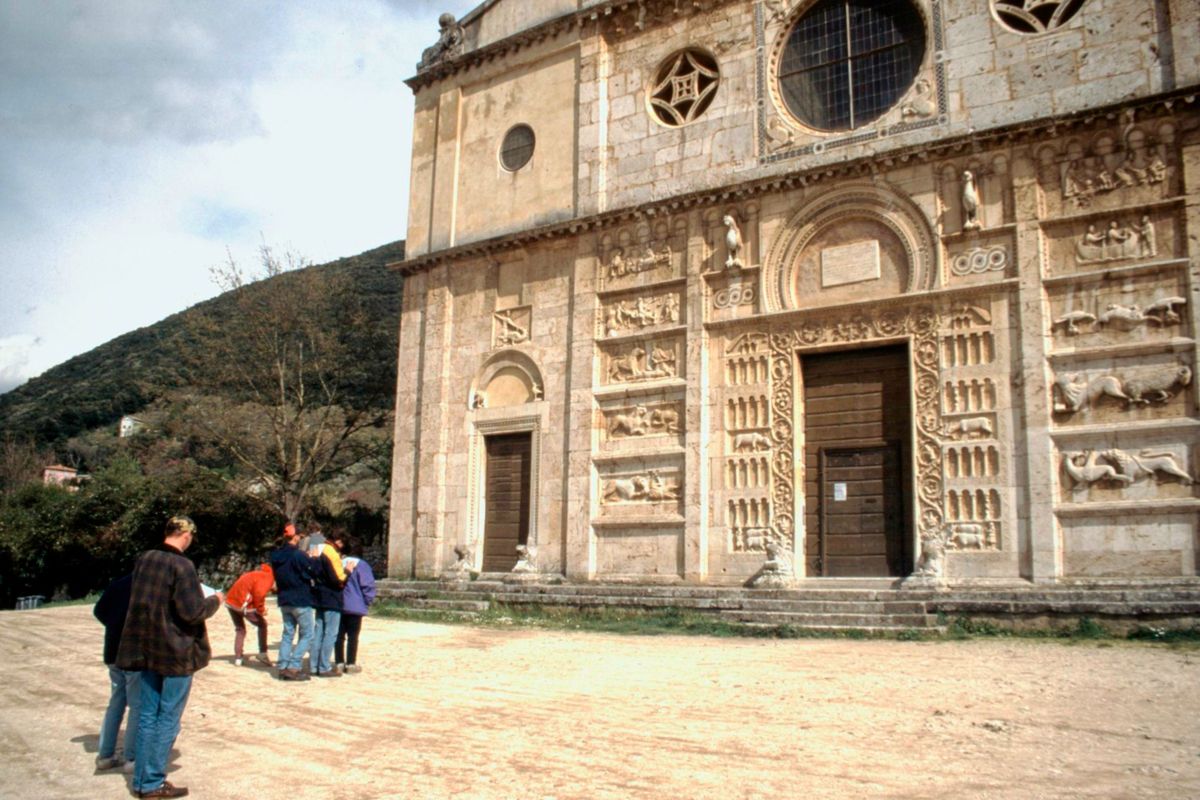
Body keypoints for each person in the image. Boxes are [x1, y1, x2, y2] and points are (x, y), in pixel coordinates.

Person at [116, 516, 223, 799]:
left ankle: (141, 781)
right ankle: (152, 781)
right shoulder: (182, 565)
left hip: (147, 648)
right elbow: (192, 612)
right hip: (175, 652)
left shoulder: (144, 559)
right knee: (168, 719)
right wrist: (215, 601)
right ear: (187, 536)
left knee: (147, 716)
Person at [93, 573, 139, 773]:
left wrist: (114, 626)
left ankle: (105, 755)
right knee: (137, 706)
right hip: (134, 654)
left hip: (112, 651)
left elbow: (99, 611)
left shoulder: (117, 584)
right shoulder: (146, 585)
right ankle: (131, 757)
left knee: (116, 703)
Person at [270, 524, 319, 681]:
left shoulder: (275, 555)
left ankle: (282, 666)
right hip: (301, 598)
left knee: (288, 634)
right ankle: (294, 666)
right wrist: (314, 558)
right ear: (296, 537)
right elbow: (313, 571)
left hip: (284, 599)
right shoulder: (298, 555)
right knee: (308, 634)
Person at [335, 539, 376, 675]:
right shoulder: (362, 565)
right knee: (353, 636)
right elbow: (367, 585)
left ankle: (339, 662)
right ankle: (351, 663)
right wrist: (367, 601)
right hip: (355, 605)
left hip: (339, 604)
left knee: (339, 636)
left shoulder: (339, 563)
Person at [309, 531, 345, 678]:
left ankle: (313, 666)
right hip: (331, 597)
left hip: (318, 596)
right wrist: (348, 572)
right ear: (337, 540)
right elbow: (338, 578)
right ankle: (324, 667)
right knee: (330, 633)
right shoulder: (331, 553)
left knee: (318, 632)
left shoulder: (315, 549)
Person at [224, 563, 274, 667]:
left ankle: (238, 658)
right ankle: (263, 653)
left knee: (240, 629)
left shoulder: (257, 574)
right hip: (241, 604)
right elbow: (259, 594)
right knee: (262, 625)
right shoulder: (268, 578)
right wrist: (261, 610)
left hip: (230, 601)